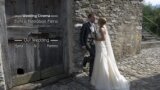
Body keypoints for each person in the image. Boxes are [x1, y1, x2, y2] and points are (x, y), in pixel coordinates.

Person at [90, 18, 130, 90]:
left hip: (101, 46)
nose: (97, 21)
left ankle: (103, 78)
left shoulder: (102, 29)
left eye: (98, 20)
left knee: (101, 60)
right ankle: (98, 77)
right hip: (100, 46)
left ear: (100, 22)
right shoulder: (102, 27)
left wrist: (95, 39)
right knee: (100, 60)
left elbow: (103, 38)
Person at [80, 13, 97, 79]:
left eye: (95, 18)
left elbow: (94, 35)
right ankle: (86, 59)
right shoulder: (85, 25)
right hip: (87, 43)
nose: (94, 19)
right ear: (89, 18)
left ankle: (91, 74)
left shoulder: (95, 25)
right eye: (93, 17)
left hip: (93, 43)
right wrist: (83, 44)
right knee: (94, 56)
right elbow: (81, 35)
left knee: (93, 58)